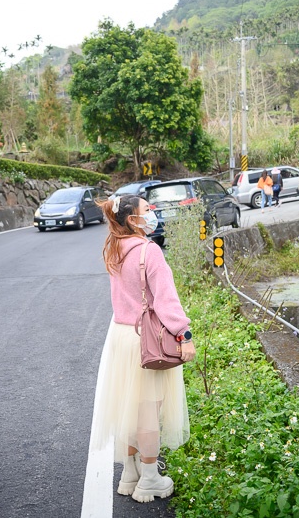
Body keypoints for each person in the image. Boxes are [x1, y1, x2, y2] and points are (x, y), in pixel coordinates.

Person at [89, 194, 195, 503]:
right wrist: (184, 334)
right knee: (149, 410)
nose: (153, 214)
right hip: (146, 339)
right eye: (147, 210)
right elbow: (166, 300)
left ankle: (130, 473)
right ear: (133, 219)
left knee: (130, 408)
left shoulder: (115, 248)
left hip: (121, 336)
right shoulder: (149, 251)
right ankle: (149, 480)